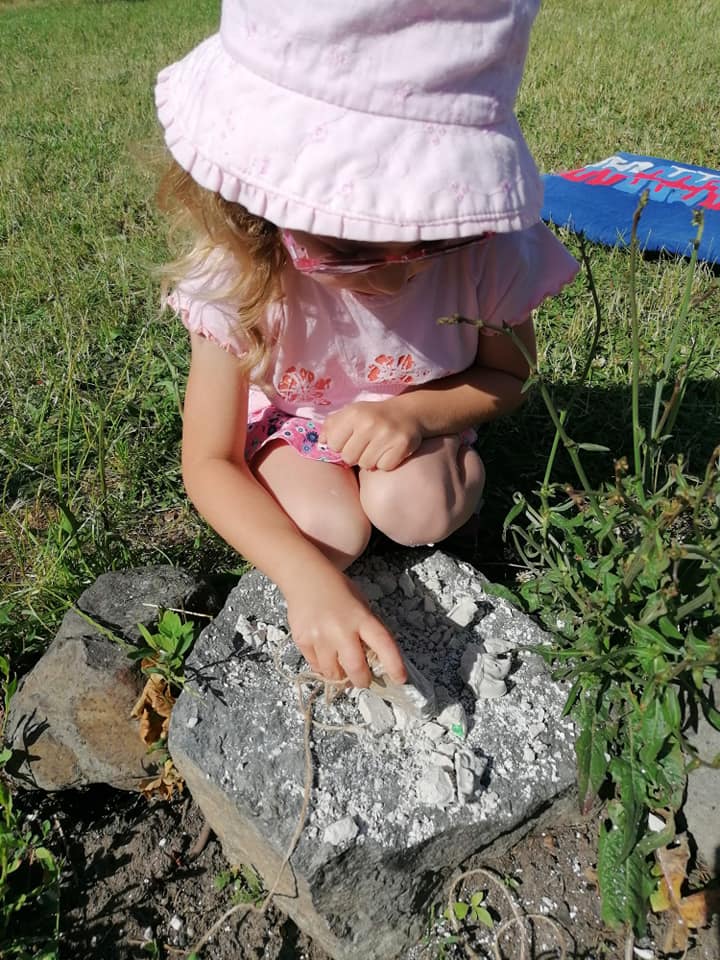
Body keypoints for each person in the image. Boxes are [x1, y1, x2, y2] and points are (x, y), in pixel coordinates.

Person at [154, 0, 579, 690]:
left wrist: (415, 414)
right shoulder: (242, 273)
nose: (399, 275)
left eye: (437, 238)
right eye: (347, 250)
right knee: (328, 532)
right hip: (295, 428)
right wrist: (304, 578)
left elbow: (510, 377)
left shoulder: (489, 251)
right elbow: (209, 459)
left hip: (419, 426)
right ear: (259, 208)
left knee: (417, 507)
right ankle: (328, 511)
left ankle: (427, 493)